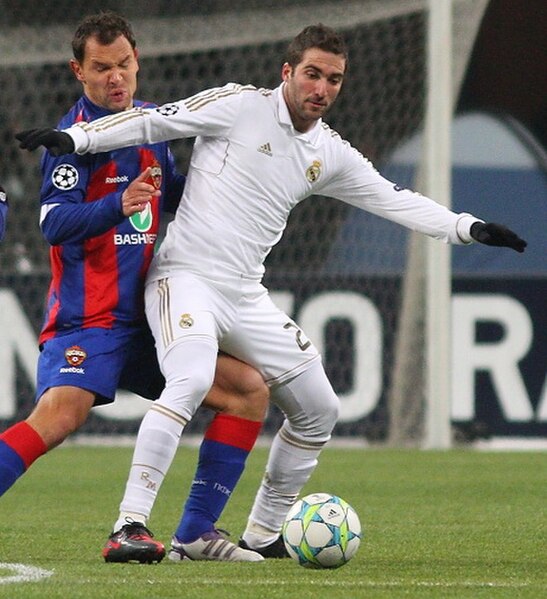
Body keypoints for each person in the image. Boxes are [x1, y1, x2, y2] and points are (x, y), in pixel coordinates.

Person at [16, 23, 527, 562]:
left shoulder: (329, 152)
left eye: (333, 79)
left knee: (319, 408)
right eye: (312, 73)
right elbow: (153, 122)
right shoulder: (238, 105)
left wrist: (467, 227)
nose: (321, 88)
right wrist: (79, 139)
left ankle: (260, 533)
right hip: (183, 278)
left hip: (243, 294)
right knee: (190, 378)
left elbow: (392, 198)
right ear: (287, 73)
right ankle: (129, 525)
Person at [4, 11, 269, 564]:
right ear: (79, 71)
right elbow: (53, 223)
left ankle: (195, 534)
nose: (115, 77)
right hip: (91, 318)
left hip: (152, 316)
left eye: (123, 64)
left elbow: (175, 196)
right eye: (101, 68)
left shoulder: (154, 123)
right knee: (59, 417)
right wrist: (116, 205)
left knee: (248, 391)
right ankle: (130, 527)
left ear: (137, 61)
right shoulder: (72, 139)